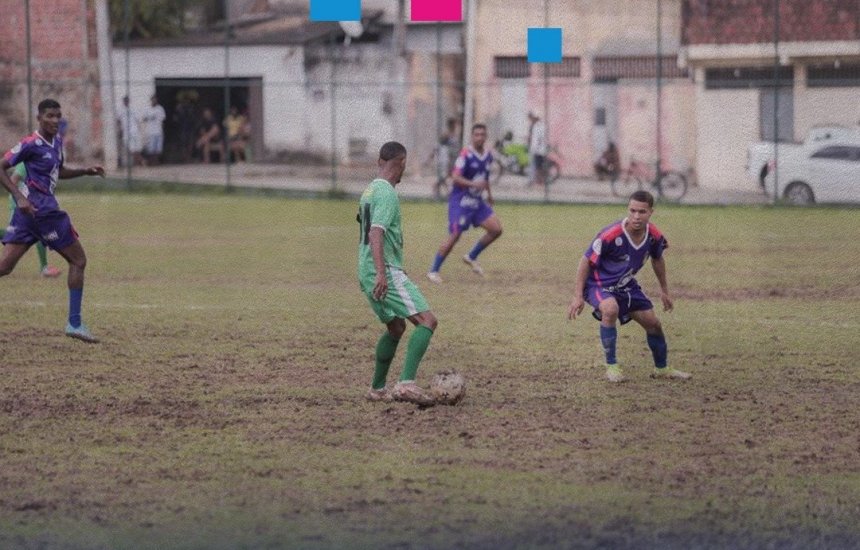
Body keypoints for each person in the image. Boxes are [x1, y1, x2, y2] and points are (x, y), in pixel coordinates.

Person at [0, 98, 105, 342]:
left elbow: (60, 171)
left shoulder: (56, 142)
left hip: (31, 215)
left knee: (5, 267)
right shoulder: (30, 143)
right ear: (39, 118)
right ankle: (74, 323)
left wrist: (85, 171)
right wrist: (18, 196)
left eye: (58, 116)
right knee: (78, 260)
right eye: (50, 116)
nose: (55, 120)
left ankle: (75, 324)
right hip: (43, 212)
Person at [567, 190, 691, 382]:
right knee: (610, 309)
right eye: (632, 210)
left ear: (651, 212)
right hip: (599, 284)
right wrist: (578, 296)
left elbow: (658, 258)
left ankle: (662, 369)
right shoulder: (611, 234)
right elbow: (585, 261)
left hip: (625, 285)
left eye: (642, 212)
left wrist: (664, 290)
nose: (636, 216)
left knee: (653, 323)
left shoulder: (654, 235)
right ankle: (612, 367)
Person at [358, 141, 438, 406]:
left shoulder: (369, 190)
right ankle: (406, 384)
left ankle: (377, 389)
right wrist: (383, 272)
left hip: (367, 269)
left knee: (396, 326)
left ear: (380, 161)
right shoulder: (387, 194)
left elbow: (367, 226)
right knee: (427, 320)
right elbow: (375, 232)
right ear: (401, 163)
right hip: (381, 271)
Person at [427, 123, 502, 283]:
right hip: (460, 201)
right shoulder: (465, 155)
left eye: (482, 134)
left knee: (496, 229)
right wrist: (474, 185)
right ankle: (433, 270)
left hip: (477, 202)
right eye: (477, 134)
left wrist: (489, 195)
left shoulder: (488, 155)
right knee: (455, 235)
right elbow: (455, 177)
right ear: (472, 136)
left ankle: (471, 256)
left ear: (486, 136)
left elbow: (485, 177)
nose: (480, 137)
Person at [0, 162, 62, 278]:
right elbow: (13, 181)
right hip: (21, 205)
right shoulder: (25, 164)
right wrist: (21, 198)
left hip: (32, 204)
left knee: (35, 232)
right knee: (20, 235)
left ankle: (44, 267)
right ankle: (44, 268)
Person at [117, 95, 144, 167]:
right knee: (130, 148)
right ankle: (141, 161)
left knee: (136, 148)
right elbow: (118, 121)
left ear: (129, 101)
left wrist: (139, 130)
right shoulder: (121, 110)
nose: (126, 102)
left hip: (134, 130)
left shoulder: (133, 109)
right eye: (125, 100)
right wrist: (120, 130)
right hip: (126, 132)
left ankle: (139, 162)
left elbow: (138, 120)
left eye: (127, 100)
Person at [141, 94, 166, 165]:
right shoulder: (147, 109)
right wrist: (149, 118)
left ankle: (156, 162)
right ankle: (151, 162)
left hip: (158, 131)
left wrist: (162, 131)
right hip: (151, 132)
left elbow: (162, 120)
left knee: (158, 149)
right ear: (151, 100)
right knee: (151, 149)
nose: (154, 101)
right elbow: (143, 119)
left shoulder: (160, 109)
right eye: (153, 100)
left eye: (155, 99)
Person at [527, 111, 547, 187]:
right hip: (535, 149)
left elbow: (539, 139)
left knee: (539, 166)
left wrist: (535, 147)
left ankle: (540, 181)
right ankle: (536, 180)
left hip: (538, 150)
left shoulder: (539, 126)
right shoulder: (535, 126)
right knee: (536, 166)